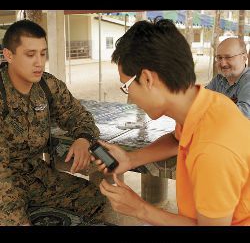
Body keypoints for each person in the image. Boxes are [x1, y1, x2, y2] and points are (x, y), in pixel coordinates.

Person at [92, 18, 250, 226]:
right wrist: (130, 160)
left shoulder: (213, 150)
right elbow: (178, 140)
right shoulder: (209, 103)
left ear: (148, 79)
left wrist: (140, 209)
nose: (130, 95)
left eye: (127, 86)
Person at [0, 19, 107, 226]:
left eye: (43, 53)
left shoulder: (48, 86)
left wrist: (83, 139)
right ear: (9, 55)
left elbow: (79, 116)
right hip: (3, 181)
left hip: (35, 175)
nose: (39, 62)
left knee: (96, 198)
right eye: (30, 55)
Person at [205, 37, 250, 118]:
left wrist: (211, 107)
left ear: (244, 57)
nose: (223, 63)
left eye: (228, 57)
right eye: (219, 58)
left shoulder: (248, 82)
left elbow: (242, 115)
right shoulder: (219, 79)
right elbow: (200, 101)